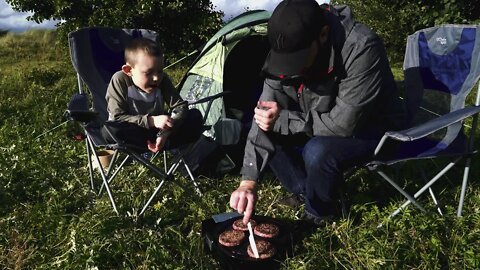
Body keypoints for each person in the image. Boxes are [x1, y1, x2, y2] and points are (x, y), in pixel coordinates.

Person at [229, 0, 406, 225]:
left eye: (297, 60)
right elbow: (265, 113)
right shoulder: (285, 49)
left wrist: (284, 121)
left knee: (317, 150)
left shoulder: (361, 47)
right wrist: (248, 183)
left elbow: (344, 124)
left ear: (323, 34)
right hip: (319, 120)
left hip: (375, 130)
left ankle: (318, 216)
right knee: (258, 124)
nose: (291, 71)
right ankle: (307, 191)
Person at [102, 37, 202, 153]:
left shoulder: (162, 79)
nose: (156, 78)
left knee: (195, 116)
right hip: (134, 130)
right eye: (148, 73)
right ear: (128, 70)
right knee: (110, 130)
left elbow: (180, 106)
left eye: (159, 71)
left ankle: (164, 141)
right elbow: (117, 116)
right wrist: (151, 121)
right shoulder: (120, 80)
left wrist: (165, 132)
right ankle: (165, 143)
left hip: (159, 130)